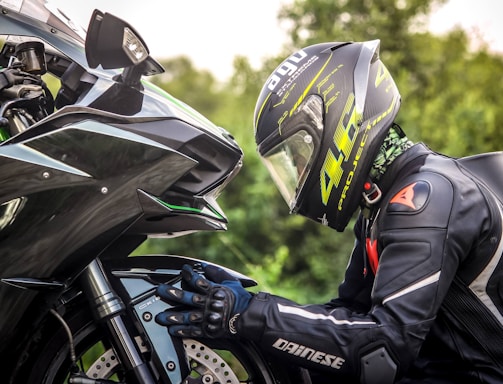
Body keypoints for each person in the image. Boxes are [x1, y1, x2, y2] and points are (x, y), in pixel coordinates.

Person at [155, 40, 503, 383]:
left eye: (300, 154)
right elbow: (348, 317)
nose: (300, 172)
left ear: (339, 122)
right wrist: (241, 315)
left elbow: (383, 354)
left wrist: (250, 314)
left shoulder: (422, 200)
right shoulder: (384, 203)